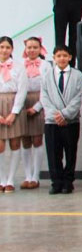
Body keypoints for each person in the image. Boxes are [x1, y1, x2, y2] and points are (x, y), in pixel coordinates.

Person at [39, 46, 82, 194]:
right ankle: (56, 182)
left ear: (70, 57)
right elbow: (44, 97)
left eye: (65, 55)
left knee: (70, 152)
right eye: (59, 56)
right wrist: (56, 115)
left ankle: (68, 182)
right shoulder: (47, 75)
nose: (62, 58)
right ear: (54, 58)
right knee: (53, 153)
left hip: (71, 121)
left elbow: (78, 97)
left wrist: (65, 114)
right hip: (52, 121)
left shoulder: (77, 75)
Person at [9, 38, 47, 189]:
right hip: (22, 101)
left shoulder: (45, 65)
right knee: (25, 140)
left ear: (40, 49)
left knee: (37, 140)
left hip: (40, 101)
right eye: (29, 47)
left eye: (35, 47)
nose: (32, 50)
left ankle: (36, 177)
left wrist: (37, 107)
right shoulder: (19, 65)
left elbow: (47, 88)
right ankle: (27, 176)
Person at [0, 37, 24, 192]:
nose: (4, 50)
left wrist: (14, 112)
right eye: (1, 47)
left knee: (15, 143)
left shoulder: (19, 67)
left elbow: (22, 90)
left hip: (14, 104)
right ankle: (2, 179)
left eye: (7, 47)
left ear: (12, 49)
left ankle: (10, 180)